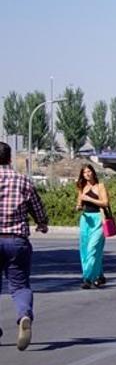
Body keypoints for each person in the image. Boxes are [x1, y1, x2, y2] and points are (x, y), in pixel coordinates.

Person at [0, 142, 49, 351]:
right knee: (19, 286)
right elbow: (37, 207)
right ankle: (24, 316)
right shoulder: (23, 181)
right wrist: (42, 223)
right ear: (10, 158)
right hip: (16, 240)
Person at [75, 164, 111, 289]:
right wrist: (79, 206)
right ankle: (99, 276)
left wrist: (89, 199)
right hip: (85, 220)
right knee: (85, 250)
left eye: (89, 171)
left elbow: (105, 203)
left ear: (93, 172)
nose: (87, 174)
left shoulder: (100, 186)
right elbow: (79, 203)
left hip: (98, 219)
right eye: (84, 172)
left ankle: (87, 278)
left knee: (93, 248)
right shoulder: (81, 187)